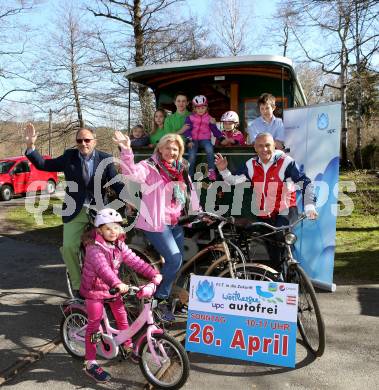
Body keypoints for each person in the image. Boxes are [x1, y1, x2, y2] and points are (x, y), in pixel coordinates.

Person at [24, 123, 126, 297]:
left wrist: (130, 200)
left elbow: (116, 184)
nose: (83, 143)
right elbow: (43, 164)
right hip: (75, 210)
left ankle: (111, 282)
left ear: (94, 141)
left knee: (112, 246)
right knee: (70, 247)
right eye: (79, 140)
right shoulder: (69, 156)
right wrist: (30, 146)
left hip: (99, 210)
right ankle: (79, 286)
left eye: (87, 140)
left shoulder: (105, 158)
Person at [113, 131, 201, 322]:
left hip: (176, 221)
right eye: (167, 147)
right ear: (160, 148)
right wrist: (127, 150)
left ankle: (164, 295)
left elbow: (190, 190)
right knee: (175, 259)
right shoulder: (150, 166)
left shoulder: (181, 167)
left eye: (175, 148)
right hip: (154, 223)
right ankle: (159, 299)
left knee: (175, 263)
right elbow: (131, 174)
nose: (171, 151)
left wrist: (198, 212)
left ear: (180, 151)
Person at [79, 208, 162, 383]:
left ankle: (128, 347)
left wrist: (152, 273)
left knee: (122, 315)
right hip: (94, 290)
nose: (113, 232)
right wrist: (117, 283)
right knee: (94, 325)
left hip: (112, 289)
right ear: (99, 230)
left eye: (116, 228)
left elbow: (134, 260)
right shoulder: (94, 248)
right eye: (108, 228)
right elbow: (103, 269)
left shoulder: (119, 245)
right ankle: (90, 362)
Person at [215, 132, 317, 270]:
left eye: (268, 145)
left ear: (274, 146)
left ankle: (292, 277)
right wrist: (224, 170)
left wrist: (309, 206)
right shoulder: (250, 164)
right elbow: (234, 181)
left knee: (282, 240)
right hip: (264, 213)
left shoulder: (286, 162)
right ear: (255, 148)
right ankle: (279, 280)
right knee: (273, 252)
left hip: (285, 210)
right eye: (260, 146)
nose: (264, 149)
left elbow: (306, 183)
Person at [182, 95, 226, 181]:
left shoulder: (209, 119)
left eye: (203, 107)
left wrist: (221, 138)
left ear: (206, 107)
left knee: (209, 149)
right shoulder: (190, 118)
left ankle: (211, 170)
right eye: (198, 108)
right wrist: (188, 140)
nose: (200, 110)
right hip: (193, 140)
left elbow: (215, 130)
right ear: (194, 109)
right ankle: (189, 174)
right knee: (191, 155)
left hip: (205, 139)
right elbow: (187, 130)